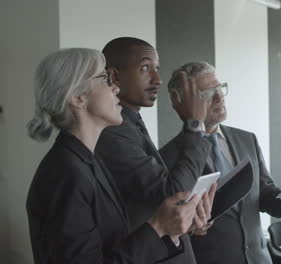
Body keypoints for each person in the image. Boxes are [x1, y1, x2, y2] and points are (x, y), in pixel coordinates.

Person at [26, 48, 201, 264]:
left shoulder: (88, 161)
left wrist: (170, 228)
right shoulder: (66, 173)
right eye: (104, 79)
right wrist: (157, 229)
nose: (115, 88)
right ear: (78, 98)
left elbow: (114, 242)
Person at [162, 61, 281, 264]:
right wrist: (191, 229)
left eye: (219, 88)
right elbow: (169, 230)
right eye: (207, 93)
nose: (219, 98)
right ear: (183, 103)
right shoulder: (167, 157)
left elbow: (264, 192)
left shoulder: (246, 139)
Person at [95, 37, 215, 264]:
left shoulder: (131, 122)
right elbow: (172, 193)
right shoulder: (112, 131)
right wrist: (195, 125)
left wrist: (188, 218)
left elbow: (156, 203)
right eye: (145, 68)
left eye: (157, 69)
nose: (158, 79)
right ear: (114, 76)